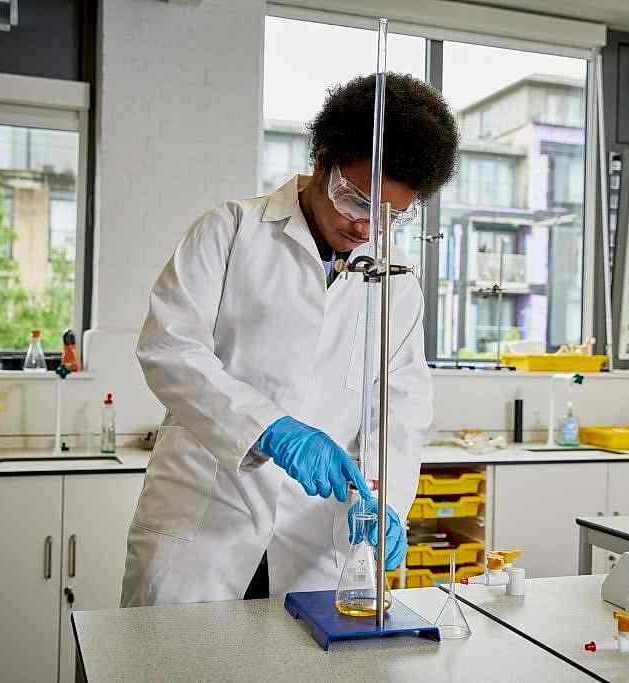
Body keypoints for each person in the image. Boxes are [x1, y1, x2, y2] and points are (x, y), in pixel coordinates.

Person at [120, 73, 459, 606]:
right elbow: (170, 349)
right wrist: (271, 428)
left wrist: (387, 499)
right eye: (356, 200)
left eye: (392, 215)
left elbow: (400, 408)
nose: (367, 227)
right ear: (323, 159)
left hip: (316, 545)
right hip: (207, 525)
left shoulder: (396, 284)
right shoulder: (230, 231)